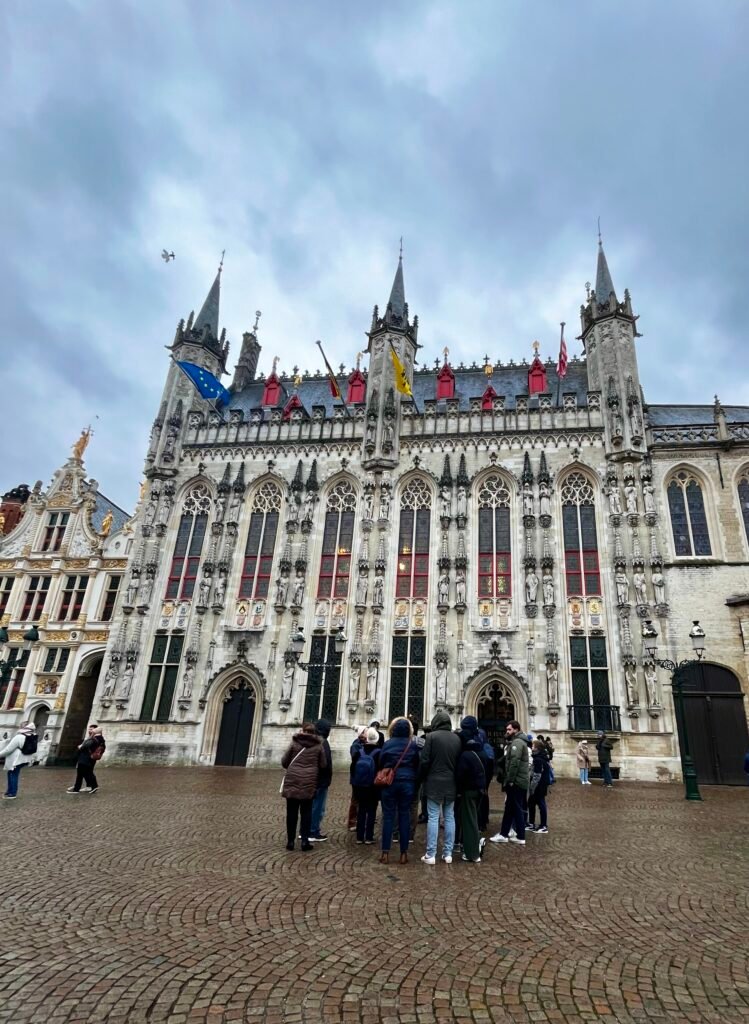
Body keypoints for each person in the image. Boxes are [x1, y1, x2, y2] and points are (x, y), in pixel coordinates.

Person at [419, 710, 462, 865]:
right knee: (449, 817)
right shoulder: (457, 738)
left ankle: (431, 854)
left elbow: (424, 761)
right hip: (451, 782)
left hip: (433, 782)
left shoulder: (431, 737)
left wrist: (422, 777)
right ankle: (448, 853)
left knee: (433, 817)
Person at [378, 717, 420, 865]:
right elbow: (416, 764)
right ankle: (403, 854)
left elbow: (381, 762)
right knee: (404, 816)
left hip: (390, 783)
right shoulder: (412, 745)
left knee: (388, 817)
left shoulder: (387, 744)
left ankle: (385, 853)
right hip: (407, 783)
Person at [281, 722, 327, 851]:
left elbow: (284, 762)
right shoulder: (318, 746)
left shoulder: (294, 743)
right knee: (306, 813)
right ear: (314, 733)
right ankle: (305, 842)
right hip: (308, 783)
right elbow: (323, 764)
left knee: (291, 812)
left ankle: (290, 842)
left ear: (303, 731)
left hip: (293, 781)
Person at [490, 720, 530, 846]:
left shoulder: (517, 743)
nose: (507, 732)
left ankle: (520, 836)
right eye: (507, 729)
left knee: (516, 808)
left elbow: (514, 763)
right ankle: (504, 834)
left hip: (516, 782)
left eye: (509, 729)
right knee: (510, 808)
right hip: (518, 781)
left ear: (516, 730)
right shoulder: (517, 742)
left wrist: (510, 780)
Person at [456, 719, 487, 863]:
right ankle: (475, 842)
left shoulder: (465, 755)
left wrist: (458, 790)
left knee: (468, 820)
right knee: (473, 818)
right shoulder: (482, 752)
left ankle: (472, 853)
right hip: (480, 789)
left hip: (468, 790)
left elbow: (460, 775)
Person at [351, 727, 381, 844]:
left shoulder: (359, 752)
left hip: (360, 786)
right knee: (372, 811)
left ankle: (359, 837)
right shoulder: (379, 753)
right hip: (373, 786)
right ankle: (369, 837)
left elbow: (352, 769)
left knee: (361, 810)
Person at [309, 719, 332, 842]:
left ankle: (305, 830)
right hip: (320, 781)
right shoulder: (323, 743)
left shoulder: (311, 740)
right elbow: (325, 764)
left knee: (310, 806)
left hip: (310, 779)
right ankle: (313, 831)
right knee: (318, 808)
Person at [0, 722, 37, 800]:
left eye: (22, 725)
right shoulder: (33, 735)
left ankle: (12, 793)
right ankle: (9, 791)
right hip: (24, 759)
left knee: (13, 774)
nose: (20, 726)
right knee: (12, 773)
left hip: (17, 759)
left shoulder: (19, 737)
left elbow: (8, 749)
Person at [66, 724, 106, 794]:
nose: (90, 731)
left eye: (92, 730)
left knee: (85, 773)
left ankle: (87, 787)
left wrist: (80, 747)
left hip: (85, 758)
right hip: (88, 758)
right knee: (83, 773)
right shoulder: (101, 739)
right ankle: (78, 787)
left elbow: (85, 746)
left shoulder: (93, 739)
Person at [527, 739, 551, 834]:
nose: (532, 747)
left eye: (533, 746)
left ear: (537, 748)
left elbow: (537, 775)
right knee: (531, 803)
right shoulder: (541, 757)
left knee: (541, 804)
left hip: (539, 785)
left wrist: (532, 787)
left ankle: (543, 826)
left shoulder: (538, 759)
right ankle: (531, 824)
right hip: (541, 784)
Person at [348, 726, 368, 830]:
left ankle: (361, 821)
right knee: (355, 800)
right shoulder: (355, 745)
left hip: (365, 776)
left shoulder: (366, 744)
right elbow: (355, 758)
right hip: (357, 776)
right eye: (366, 732)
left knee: (364, 800)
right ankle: (352, 822)